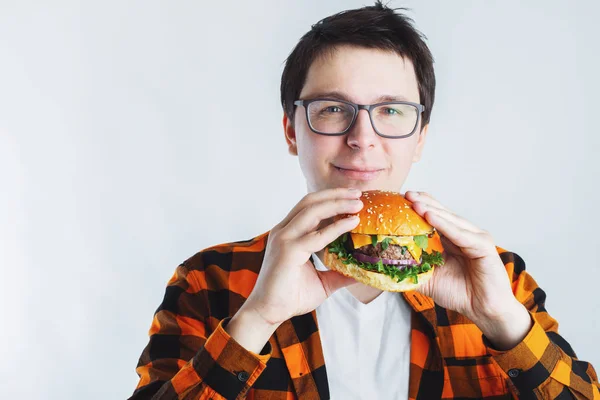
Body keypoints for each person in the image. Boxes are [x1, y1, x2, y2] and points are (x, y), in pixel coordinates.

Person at [129, 2, 599, 399]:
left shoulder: (498, 279)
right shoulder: (208, 281)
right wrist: (256, 319)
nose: (362, 138)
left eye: (391, 111)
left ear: (420, 138)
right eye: (334, 109)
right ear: (292, 130)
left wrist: (504, 323)